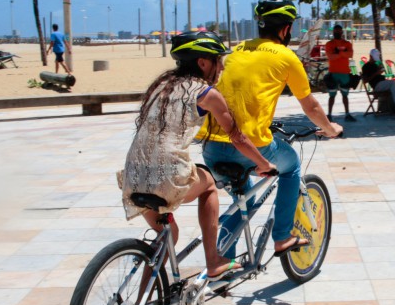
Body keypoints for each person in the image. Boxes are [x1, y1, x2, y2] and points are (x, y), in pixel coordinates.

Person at [118, 31, 276, 282]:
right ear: (203, 62)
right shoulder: (206, 93)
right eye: (218, 60)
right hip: (168, 177)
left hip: (133, 177)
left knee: (165, 242)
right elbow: (238, 137)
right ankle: (213, 261)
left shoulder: (161, 87)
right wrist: (264, 163)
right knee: (209, 185)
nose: (221, 67)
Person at [197, 0, 342, 258]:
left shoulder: (235, 51)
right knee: (291, 167)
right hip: (250, 145)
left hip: (211, 147)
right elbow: (310, 107)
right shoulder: (287, 57)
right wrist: (330, 128)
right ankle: (283, 236)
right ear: (285, 29)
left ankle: (222, 265)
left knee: (243, 202)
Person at [325, 24, 355, 121]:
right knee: (332, 95)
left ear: (342, 32)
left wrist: (338, 53)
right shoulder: (329, 44)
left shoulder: (347, 44)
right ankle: (329, 114)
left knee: (345, 95)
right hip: (333, 72)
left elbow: (350, 54)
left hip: (344, 73)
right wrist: (343, 53)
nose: (337, 33)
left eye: (339, 31)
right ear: (333, 32)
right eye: (335, 31)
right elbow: (330, 57)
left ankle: (347, 114)